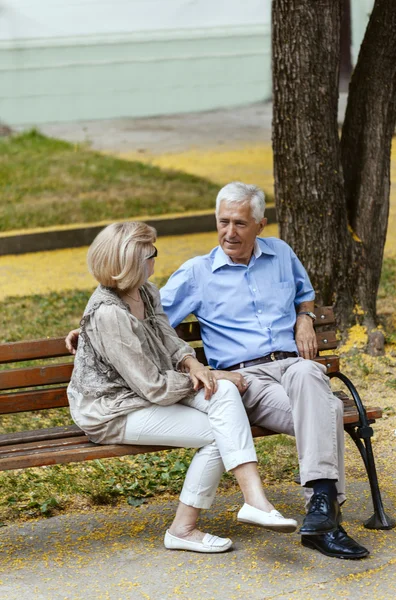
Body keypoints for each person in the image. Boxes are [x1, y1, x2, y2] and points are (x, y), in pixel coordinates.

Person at [67, 220, 298, 555]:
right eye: (151, 254)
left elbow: (169, 340)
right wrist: (215, 376)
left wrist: (194, 365)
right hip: (112, 410)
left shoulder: (144, 291)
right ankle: (183, 529)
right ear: (131, 263)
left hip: (146, 395)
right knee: (221, 428)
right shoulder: (109, 315)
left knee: (225, 398)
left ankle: (255, 501)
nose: (156, 260)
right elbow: (154, 387)